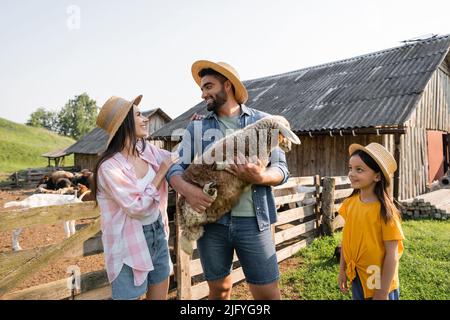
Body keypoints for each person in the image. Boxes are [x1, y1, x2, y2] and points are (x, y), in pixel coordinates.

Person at [167, 60, 291, 300]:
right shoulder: (197, 129)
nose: (203, 94)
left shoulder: (266, 121)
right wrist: (186, 190)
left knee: (268, 293)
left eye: (208, 86)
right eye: (202, 89)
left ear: (228, 85)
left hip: (254, 222)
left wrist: (260, 176)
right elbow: (175, 166)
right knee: (219, 290)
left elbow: (282, 169)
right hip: (212, 226)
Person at [92, 95, 178, 300]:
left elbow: (176, 157)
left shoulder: (146, 150)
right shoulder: (110, 167)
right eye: (139, 115)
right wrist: (160, 174)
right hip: (127, 244)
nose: (146, 118)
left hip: (158, 233)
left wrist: (193, 131)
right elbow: (137, 208)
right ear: (124, 123)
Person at [338, 143, 405, 300]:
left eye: (359, 169)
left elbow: (392, 254)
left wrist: (382, 292)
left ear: (377, 176)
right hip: (357, 275)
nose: (351, 174)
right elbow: (346, 239)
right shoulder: (350, 204)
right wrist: (342, 270)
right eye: (350, 168)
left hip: (379, 282)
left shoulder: (386, 212)